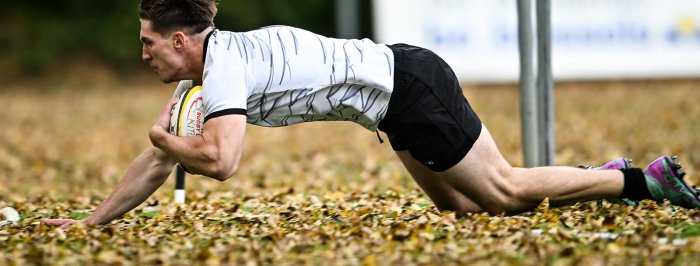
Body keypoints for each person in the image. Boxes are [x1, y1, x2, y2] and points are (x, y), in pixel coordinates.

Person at [42, 0, 700, 228]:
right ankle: (605, 176)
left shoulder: (226, 69)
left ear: (181, 41)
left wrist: (167, 139)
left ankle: (640, 180)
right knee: (465, 211)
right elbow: (160, 157)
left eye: (149, 43)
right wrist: (93, 221)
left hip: (411, 85)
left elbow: (221, 162)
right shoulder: (202, 82)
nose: (143, 55)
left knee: (504, 192)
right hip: (394, 103)